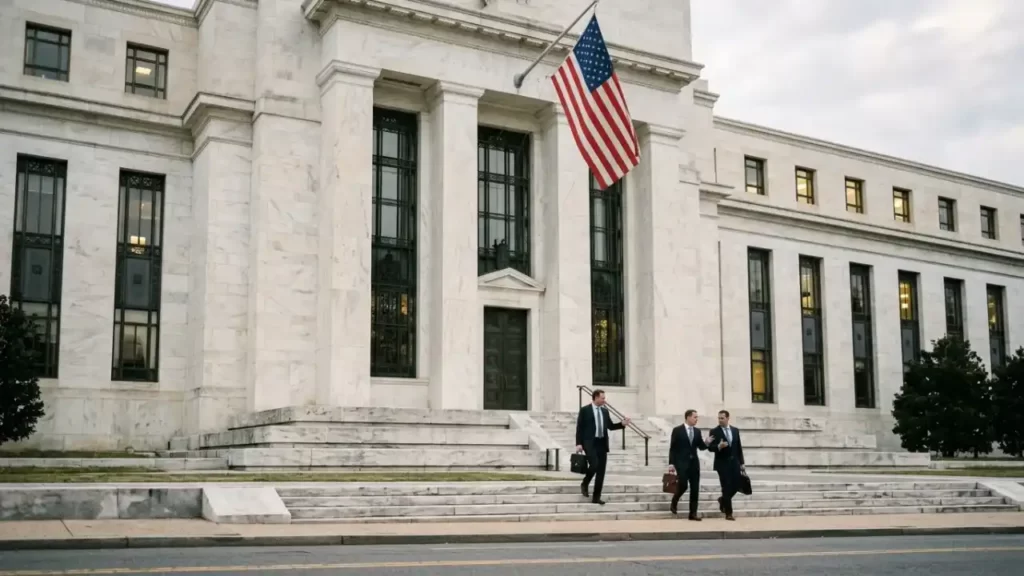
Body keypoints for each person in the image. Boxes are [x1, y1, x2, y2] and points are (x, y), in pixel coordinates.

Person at [575, 389, 631, 505]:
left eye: (604, 398)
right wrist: (578, 443)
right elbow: (579, 428)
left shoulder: (605, 411)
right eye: (602, 398)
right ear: (595, 398)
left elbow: (610, 426)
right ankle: (585, 483)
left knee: (601, 471)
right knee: (594, 464)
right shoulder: (585, 410)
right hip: (589, 442)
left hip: (602, 443)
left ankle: (596, 497)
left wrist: (622, 424)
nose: (604, 400)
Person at [667, 409, 710, 520]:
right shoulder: (677, 430)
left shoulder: (697, 431)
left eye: (697, 417)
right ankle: (675, 500)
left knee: (695, 488)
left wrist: (707, 443)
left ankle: (693, 513)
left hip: (694, 464)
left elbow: (701, 446)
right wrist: (671, 463)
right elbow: (673, 448)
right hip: (681, 463)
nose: (697, 419)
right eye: (695, 417)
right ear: (688, 417)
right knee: (683, 485)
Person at [707, 409, 745, 521]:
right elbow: (710, 448)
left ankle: (723, 500)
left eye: (722, 418)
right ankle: (729, 513)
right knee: (726, 487)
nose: (720, 420)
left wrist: (742, 463)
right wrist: (719, 446)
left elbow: (739, 448)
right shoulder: (714, 431)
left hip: (735, 463)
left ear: (728, 418)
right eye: (719, 418)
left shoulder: (735, 430)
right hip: (722, 464)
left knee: (737, 485)